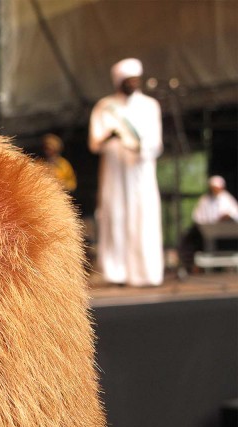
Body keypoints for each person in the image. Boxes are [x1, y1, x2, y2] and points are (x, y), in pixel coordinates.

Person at [89, 58, 164, 287]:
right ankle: (115, 273)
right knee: (115, 216)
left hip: (140, 171)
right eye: (128, 80)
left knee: (144, 216)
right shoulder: (104, 106)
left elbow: (155, 143)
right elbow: (94, 143)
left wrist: (137, 146)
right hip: (114, 171)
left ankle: (146, 273)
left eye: (135, 80)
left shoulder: (150, 105)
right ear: (119, 82)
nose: (133, 83)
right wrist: (110, 137)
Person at [180, 175, 238, 270]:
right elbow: (197, 217)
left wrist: (227, 217)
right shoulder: (204, 200)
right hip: (206, 232)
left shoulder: (227, 199)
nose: (214, 190)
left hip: (227, 233)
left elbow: (235, 214)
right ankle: (190, 266)